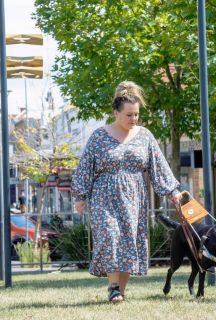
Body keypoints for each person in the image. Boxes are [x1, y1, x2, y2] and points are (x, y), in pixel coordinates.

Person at [72, 81, 181, 303]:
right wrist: (81, 197)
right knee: (110, 236)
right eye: (129, 115)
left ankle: (120, 291)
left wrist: (173, 191)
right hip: (104, 195)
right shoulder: (99, 137)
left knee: (129, 241)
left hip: (134, 197)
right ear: (116, 113)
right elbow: (85, 167)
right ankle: (112, 286)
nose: (134, 119)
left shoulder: (145, 136)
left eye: (136, 114)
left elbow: (158, 165)